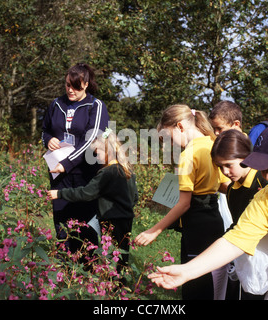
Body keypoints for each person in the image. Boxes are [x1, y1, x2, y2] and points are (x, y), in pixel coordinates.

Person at [148, 123, 268, 300]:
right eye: (264, 169)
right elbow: (236, 240)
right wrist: (187, 271)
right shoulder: (267, 197)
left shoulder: (262, 186)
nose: (267, 177)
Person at [135, 104, 230, 300]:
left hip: (196, 225)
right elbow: (223, 184)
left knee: (195, 284)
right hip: (213, 220)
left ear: (179, 126)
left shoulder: (188, 155)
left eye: (168, 138)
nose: (168, 145)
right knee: (211, 281)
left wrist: (154, 230)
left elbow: (184, 204)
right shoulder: (213, 143)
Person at [47, 128, 138, 271]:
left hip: (110, 220)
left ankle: (111, 283)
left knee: (110, 253)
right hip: (126, 219)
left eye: (98, 153)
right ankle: (120, 284)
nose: (97, 157)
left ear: (108, 151)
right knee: (122, 253)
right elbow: (134, 197)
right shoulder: (127, 171)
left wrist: (59, 193)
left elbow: (86, 193)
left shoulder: (106, 173)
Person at [42, 62, 109, 252]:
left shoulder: (96, 106)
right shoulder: (56, 104)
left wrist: (67, 163)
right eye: (67, 85)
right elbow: (45, 130)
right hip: (58, 173)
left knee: (84, 222)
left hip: (84, 173)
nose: (70, 90)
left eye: (75, 86)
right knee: (61, 220)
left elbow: (92, 139)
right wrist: (48, 140)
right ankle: (64, 268)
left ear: (86, 84)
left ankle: (88, 268)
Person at [211, 129, 268, 300]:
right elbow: (238, 224)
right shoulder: (232, 191)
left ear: (246, 157)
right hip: (252, 260)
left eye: (228, 165)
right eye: (220, 167)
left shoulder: (265, 182)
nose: (225, 172)